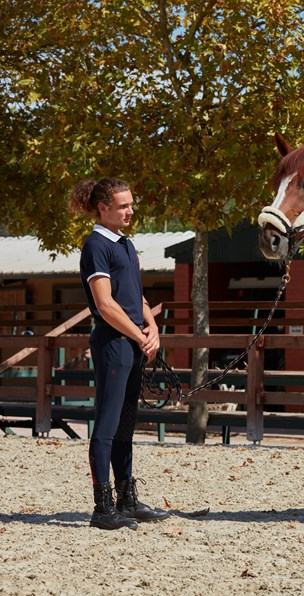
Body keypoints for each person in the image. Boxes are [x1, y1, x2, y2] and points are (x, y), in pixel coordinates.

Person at [69, 177, 171, 530]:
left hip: (132, 343)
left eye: (131, 204)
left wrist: (152, 327)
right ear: (103, 208)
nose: (131, 210)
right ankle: (102, 507)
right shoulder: (96, 245)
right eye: (124, 205)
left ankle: (126, 498)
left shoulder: (125, 245)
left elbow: (135, 296)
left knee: (126, 424)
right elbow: (105, 304)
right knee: (108, 424)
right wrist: (139, 336)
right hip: (114, 345)